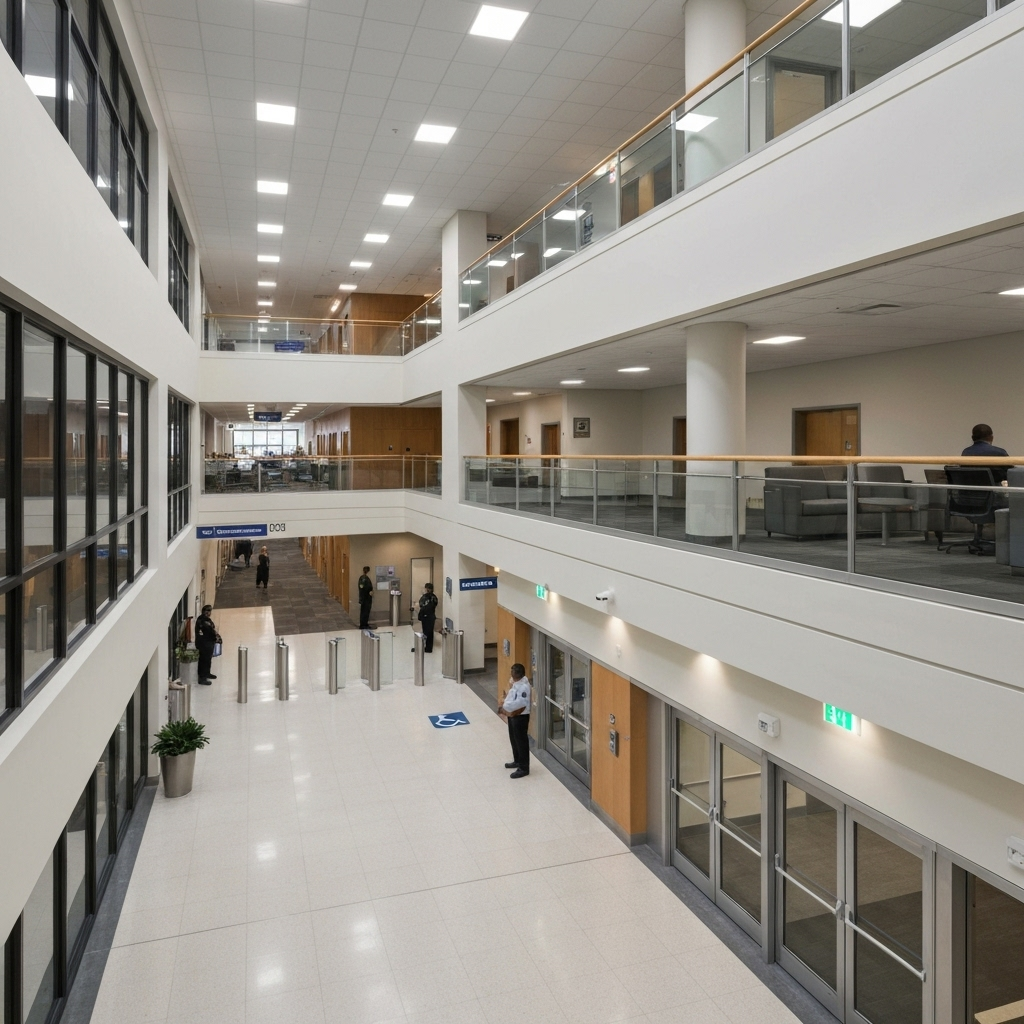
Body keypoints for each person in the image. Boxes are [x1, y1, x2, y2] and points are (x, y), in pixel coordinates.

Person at [499, 663, 532, 778]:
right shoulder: (516, 683)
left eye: (512, 672)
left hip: (520, 717)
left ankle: (524, 768)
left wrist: (505, 708)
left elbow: (520, 703)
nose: (510, 674)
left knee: (521, 741)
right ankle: (517, 760)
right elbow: (511, 696)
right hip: (513, 716)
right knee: (514, 739)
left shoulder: (524, 687)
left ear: (518, 674)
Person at [195, 604, 220, 684]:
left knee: (208, 659)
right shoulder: (203, 621)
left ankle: (207, 673)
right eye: (208, 611)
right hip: (204, 644)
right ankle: (202, 677)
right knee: (204, 660)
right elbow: (210, 631)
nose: (209, 613)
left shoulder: (206, 619)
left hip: (208, 643)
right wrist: (216, 637)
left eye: (210, 611)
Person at [416, 583, 438, 652]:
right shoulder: (434, 597)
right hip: (431, 616)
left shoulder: (425, 597)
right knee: (429, 632)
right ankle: (428, 647)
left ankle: (427, 647)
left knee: (426, 632)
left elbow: (421, 605)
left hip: (426, 616)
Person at [358, 565, 373, 629]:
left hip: (366, 597)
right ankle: (363, 624)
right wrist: (369, 592)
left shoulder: (364, 578)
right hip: (365, 598)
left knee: (366, 611)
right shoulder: (363, 578)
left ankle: (365, 623)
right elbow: (362, 588)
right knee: (365, 611)